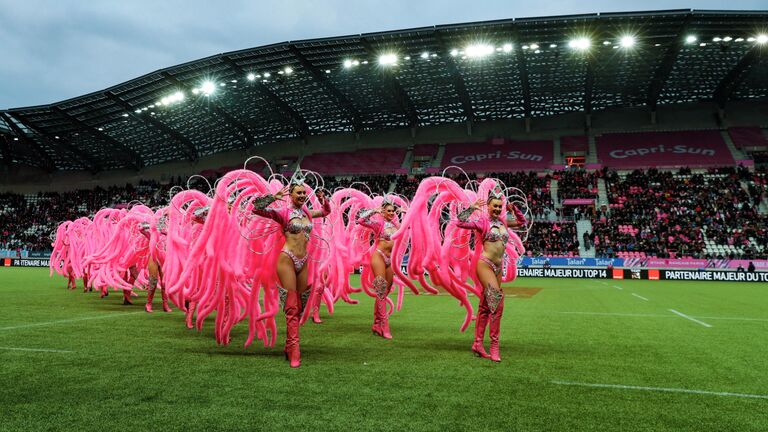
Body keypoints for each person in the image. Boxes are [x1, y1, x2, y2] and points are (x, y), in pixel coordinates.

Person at [252, 173, 331, 368]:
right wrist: (273, 197)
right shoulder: (283, 213)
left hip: (303, 261)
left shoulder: (307, 213)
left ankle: (289, 345)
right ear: (291, 195)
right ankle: (295, 349)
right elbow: (256, 208)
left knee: (301, 306)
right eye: (299, 192)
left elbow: (326, 212)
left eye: (304, 192)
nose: (303, 195)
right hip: (287, 259)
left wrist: (323, 200)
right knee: (292, 306)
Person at [456, 185, 527, 362]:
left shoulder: (503, 223)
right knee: (497, 301)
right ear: (488, 206)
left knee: (486, 306)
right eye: (494, 206)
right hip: (484, 264)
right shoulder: (482, 222)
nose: (496, 208)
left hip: (497, 268)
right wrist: (472, 208)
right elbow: (459, 222)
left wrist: (514, 209)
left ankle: (478, 343)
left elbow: (522, 223)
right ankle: (494, 345)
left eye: (499, 206)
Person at [356, 198, 402, 339]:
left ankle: (376, 323)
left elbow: (411, 227)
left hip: (391, 260)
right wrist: (373, 211)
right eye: (388, 211)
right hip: (379, 256)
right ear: (383, 212)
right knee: (381, 290)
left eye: (393, 211)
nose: (391, 213)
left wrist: (405, 213)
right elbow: (361, 220)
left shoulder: (396, 225)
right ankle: (384, 326)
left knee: (385, 292)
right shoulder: (378, 224)